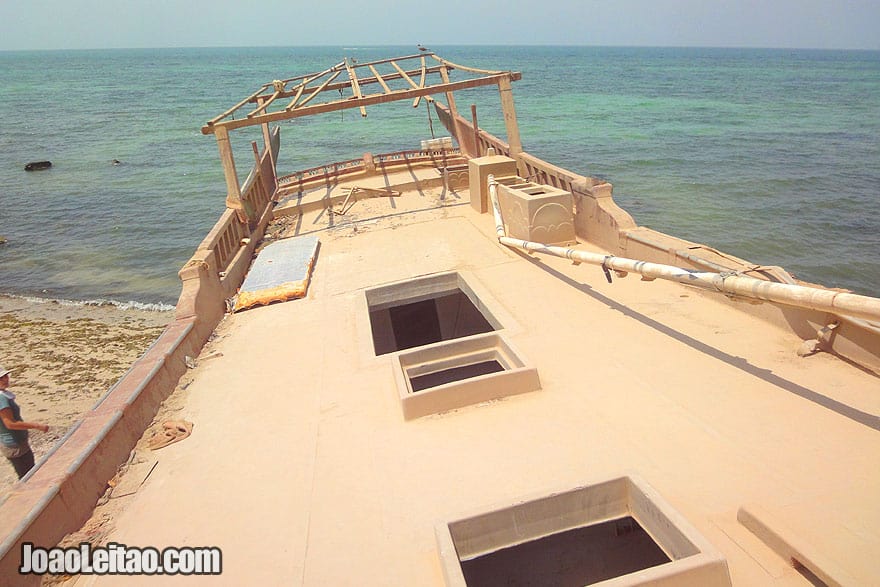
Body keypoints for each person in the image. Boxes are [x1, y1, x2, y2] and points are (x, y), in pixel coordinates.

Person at [0, 366, 49, 480]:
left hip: (17, 443)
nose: (5, 379)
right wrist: (36, 426)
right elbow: (10, 424)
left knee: (29, 474)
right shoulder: (1, 399)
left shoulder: (4, 395)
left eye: (5, 376)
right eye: (1, 378)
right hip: (15, 445)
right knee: (28, 477)